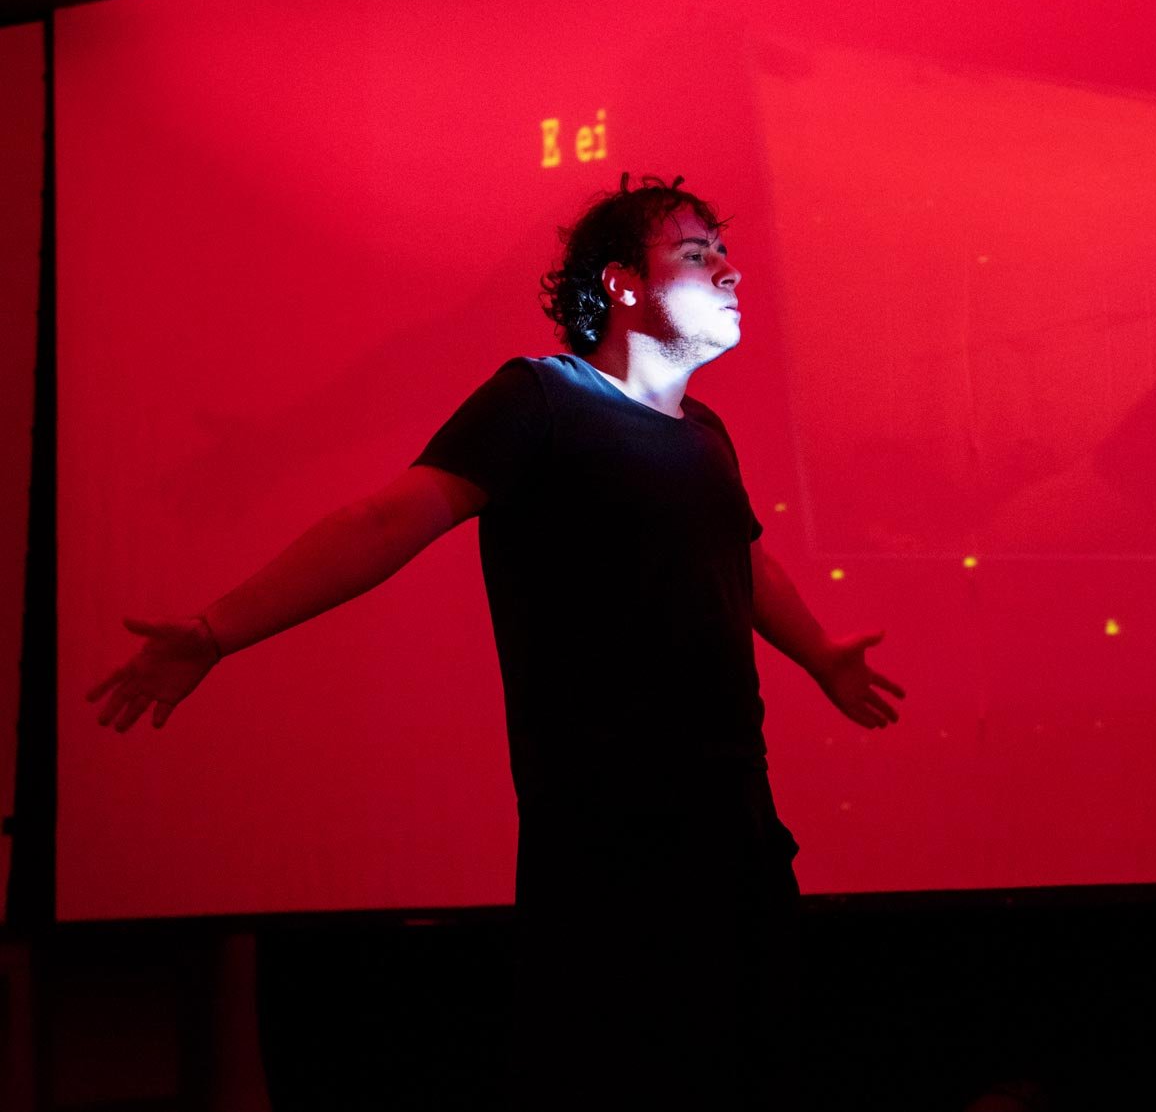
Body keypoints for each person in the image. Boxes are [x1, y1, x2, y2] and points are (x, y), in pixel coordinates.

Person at [85, 173, 906, 1106]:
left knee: (751, 1064)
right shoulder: (542, 399)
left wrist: (818, 653)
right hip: (606, 833)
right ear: (625, 284)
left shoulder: (706, 432)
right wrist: (215, 630)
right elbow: (383, 520)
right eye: (696, 251)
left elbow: (743, 559)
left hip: (736, 816)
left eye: (724, 252)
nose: (730, 270)